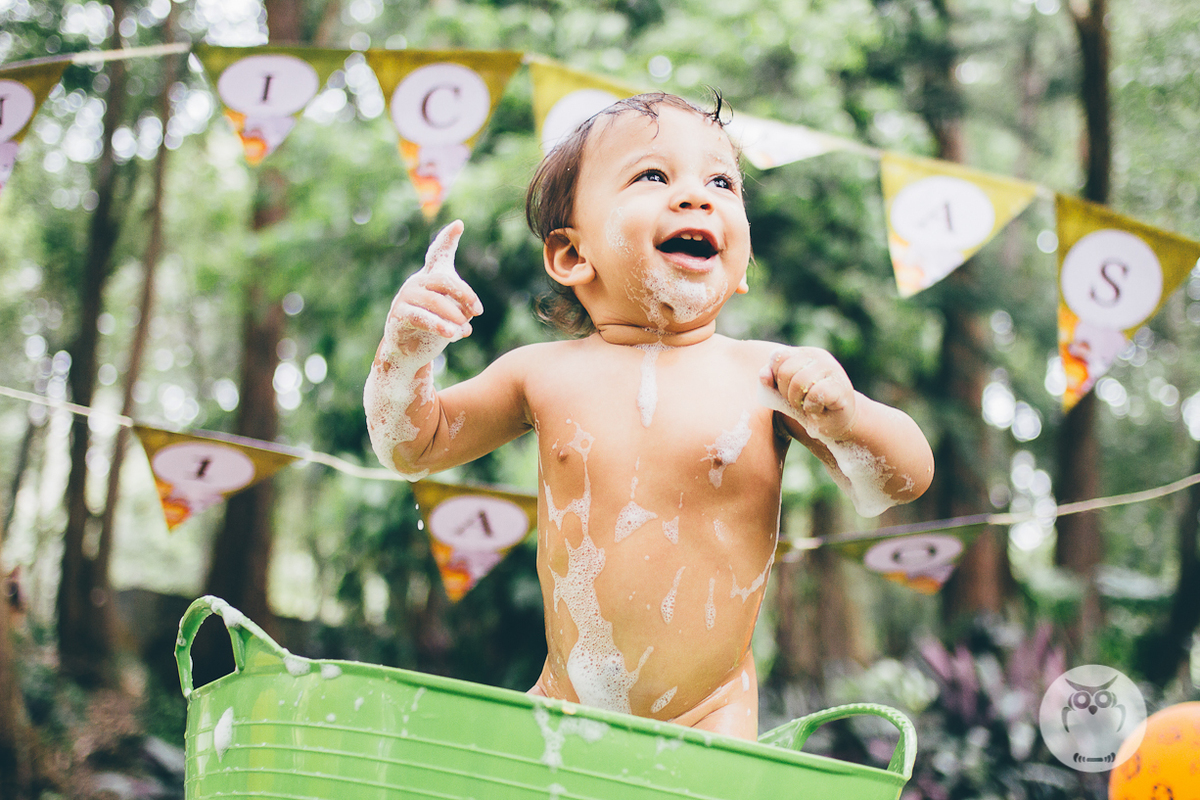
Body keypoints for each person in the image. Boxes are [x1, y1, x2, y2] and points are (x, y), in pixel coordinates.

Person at [364, 92, 934, 740]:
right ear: (572, 254)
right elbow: (414, 445)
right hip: (562, 713)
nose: (697, 196)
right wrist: (406, 353)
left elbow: (901, 481)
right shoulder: (541, 374)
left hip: (711, 720)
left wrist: (849, 418)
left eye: (721, 181)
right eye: (653, 176)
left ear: (742, 263)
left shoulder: (768, 376)